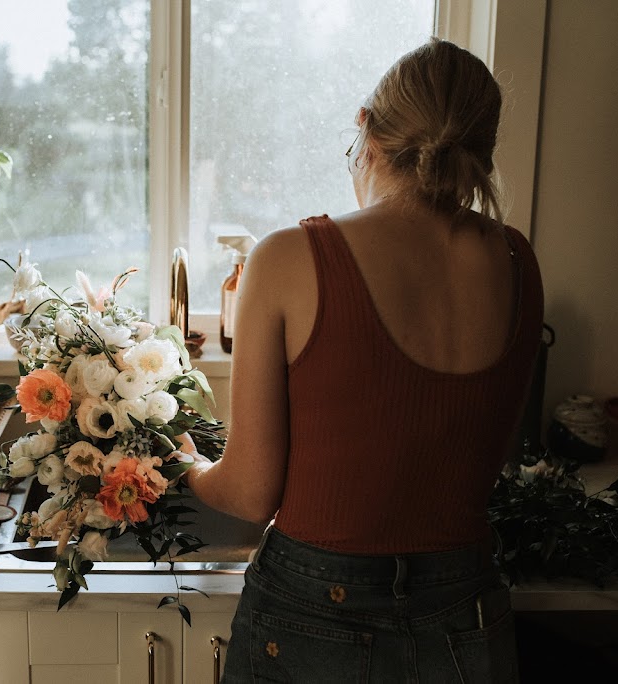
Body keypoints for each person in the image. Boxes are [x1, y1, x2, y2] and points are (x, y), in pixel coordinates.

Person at [181, 37, 544, 682]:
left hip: (317, 610)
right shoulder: (517, 259)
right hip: (468, 612)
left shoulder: (290, 258)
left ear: (365, 130)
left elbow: (248, 492)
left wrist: (183, 465)